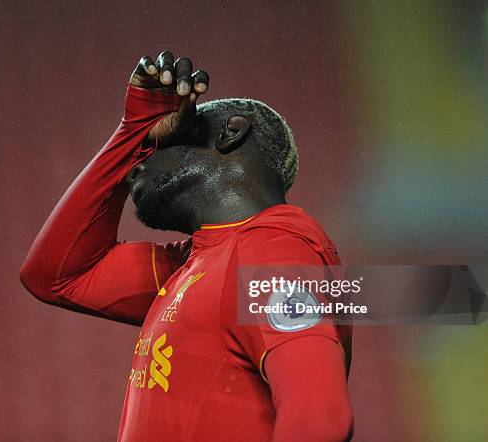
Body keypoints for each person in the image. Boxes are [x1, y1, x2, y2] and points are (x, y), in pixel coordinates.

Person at [20, 50, 353, 442]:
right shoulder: (197, 262)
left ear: (231, 133)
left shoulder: (272, 248)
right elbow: (56, 276)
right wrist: (132, 132)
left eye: (163, 143)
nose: (138, 163)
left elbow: (320, 422)